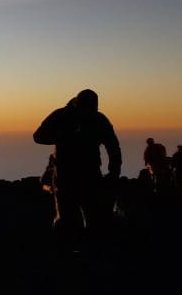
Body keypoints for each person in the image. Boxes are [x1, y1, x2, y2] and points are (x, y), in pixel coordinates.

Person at [33, 89, 121, 246]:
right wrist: (62, 136)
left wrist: (114, 170)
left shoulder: (96, 118)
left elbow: (113, 146)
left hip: (85, 174)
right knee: (68, 218)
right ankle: (68, 251)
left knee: (91, 216)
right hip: (67, 175)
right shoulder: (63, 116)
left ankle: (84, 251)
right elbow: (38, 136)